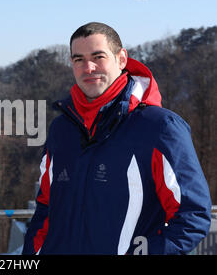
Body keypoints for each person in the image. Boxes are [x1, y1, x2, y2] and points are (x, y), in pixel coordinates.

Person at [23, 22, 212, 255]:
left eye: (98, 56)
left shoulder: (160, 128)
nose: (88, 67)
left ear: (121, 59)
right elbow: (45, 207)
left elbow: (191, 216)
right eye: (78, 59)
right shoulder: (61, 129)